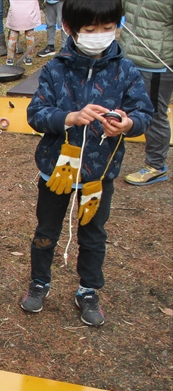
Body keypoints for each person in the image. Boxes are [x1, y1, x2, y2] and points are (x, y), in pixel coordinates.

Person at [22, 0, 153, 326]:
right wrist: (69, 117)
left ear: (117, 25)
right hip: (56, 169)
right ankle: (39, 282)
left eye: (107, 28)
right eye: (90, 30)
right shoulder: (55, 69)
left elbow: (143, 113)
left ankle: (88, 289)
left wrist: (127, 124)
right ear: (69, 28)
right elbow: (36, 114)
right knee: (46, 230)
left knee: (93, 234)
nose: (99, 36)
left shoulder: (126, 71)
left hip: (99, 172)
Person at [120, 0, 173, 186]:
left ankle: (156, 166)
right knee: (121, 106)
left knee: (154, 114)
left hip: (157, 64)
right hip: (128, 58)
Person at [6, 0, 41, 66]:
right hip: (29, 11)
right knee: (30, 36)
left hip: (15, 11)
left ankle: (10, 59)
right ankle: (29, 58)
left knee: (13, 37)